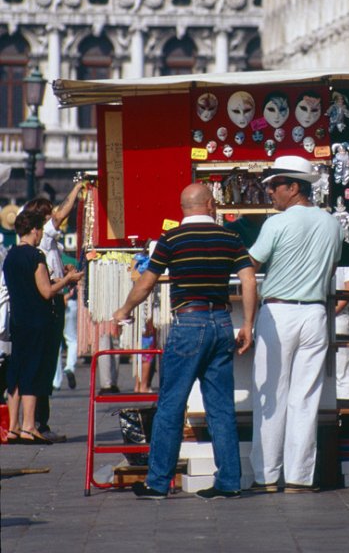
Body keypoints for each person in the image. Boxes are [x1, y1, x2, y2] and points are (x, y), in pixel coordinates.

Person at [113, 183, 257, 500]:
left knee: (171, 405)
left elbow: (147, 282)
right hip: (221, 323)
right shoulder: (230, 238)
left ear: (184, 207)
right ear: (208, 204)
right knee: (220, 408)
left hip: (188, 322)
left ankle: (159, 482)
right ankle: (230, 480)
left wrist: (124, 309)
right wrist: (247, 323)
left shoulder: (171, 239)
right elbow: (248, 279)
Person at [247, 156, 343, 493]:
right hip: (315, 313)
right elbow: (331, 269)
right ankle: (300, 477)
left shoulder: (277, 223)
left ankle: (267, 476)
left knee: (271, 395)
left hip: (279, 314)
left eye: (275, 185)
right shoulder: (333, 224)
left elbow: (250, 263)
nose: (270, 191)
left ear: (294, 187)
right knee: (305, 398)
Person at [2, 211, 82, 444]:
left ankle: (14, 427)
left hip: (17, 319)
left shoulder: (11, 255)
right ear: (35, 229)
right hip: (37, 320)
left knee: (16, 372)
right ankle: (29, 426)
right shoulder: (36, 255)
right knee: (33, 373)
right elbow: (46, 291)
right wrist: (67, 281)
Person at [25, 181, 84, 440]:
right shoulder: (46, 236)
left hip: (55, 303)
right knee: (45, 361)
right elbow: (62, 215)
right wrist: (77, 189)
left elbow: (63, 215)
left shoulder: (51, 243)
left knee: (49, 362)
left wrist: (65, 272)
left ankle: (41, 420)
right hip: (50, 304)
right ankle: (39, 422)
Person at [335, 267, 349, 400]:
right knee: (344, 372)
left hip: (314, 312)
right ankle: (347, 417)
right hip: (339, 314)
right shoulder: (347, 253)